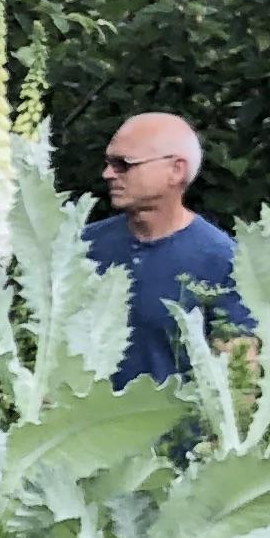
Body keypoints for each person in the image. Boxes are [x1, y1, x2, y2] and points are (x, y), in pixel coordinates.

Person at [85, 111, 252, 386]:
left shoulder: (223, 260)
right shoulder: (85, 246)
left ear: (176, 170)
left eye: (123, 164)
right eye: (108, 163)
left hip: (174, 427)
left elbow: (240, 378)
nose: (108, 174)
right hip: (85, 426)